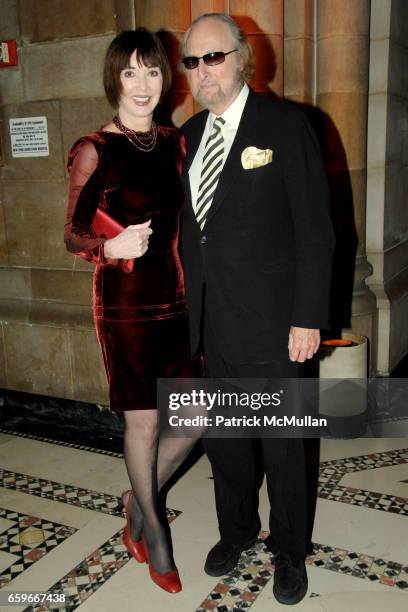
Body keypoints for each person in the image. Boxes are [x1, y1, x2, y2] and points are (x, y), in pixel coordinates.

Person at [181, 13, 335, 606]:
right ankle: (237, 530)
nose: (202, 71)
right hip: (209, 320)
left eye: (213, 57)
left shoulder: (287, 125)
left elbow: (315, 233)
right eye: (191, 62)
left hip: (274, 323)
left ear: (244, 58)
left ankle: (290, 550)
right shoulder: (188, 136)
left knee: (282, 442)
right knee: (226, 438)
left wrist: (307, 316)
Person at [64, 29, 200, 594]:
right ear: (114, 79)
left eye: (151, 72)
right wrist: (107, 247)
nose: (142, 85)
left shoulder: (176, 142)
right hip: (122, 303)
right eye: (129, 72)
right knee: (143, 420)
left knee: (198, 416)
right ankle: (153, 532)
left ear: (164, 79)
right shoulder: (95, 147)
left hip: (176, 299)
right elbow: (71, 234)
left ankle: (136, 498)